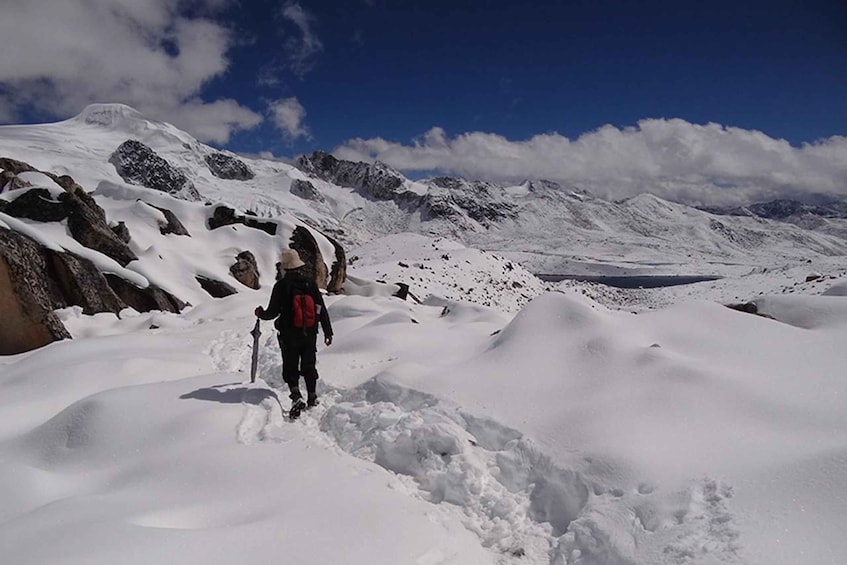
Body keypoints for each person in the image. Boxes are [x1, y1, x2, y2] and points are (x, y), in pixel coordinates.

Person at [255, 249, 333, 419]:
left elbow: (272, 312)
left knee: (291, 365)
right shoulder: (310, 283)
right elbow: (321, 307)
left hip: (289, 333)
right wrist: (328, 331)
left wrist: (261, 313)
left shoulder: (281, 286)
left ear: (284, 268)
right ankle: (312, 396)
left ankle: (296, 395)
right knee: (309, 363)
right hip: (310, 332)